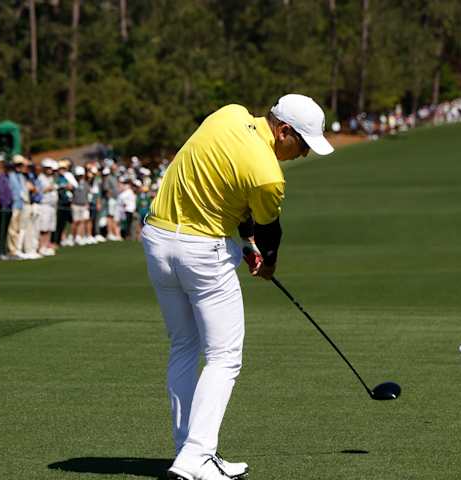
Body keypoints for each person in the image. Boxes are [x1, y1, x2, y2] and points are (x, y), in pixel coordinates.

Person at [142, 94, 333, 480]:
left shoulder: (228, 115)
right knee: (225, 357)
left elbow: (227, 189)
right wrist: (268, 261)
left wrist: (246, 244)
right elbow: (269, 228)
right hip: (202, 252)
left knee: (184, 345)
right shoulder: (269, 175)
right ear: (283, 132)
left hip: (157, 239)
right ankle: (198, 454)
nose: (304, 155)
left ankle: (190, 452)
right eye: (303, 144)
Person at [37, 159, 59, 256]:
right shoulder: (41, 178)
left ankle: (46, 246)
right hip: (44, 205)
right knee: (43, 228)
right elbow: (39, 191)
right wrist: (48, 189)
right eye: (48, 168)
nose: (50, 170)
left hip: (52, 206)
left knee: (50, 227)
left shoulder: (51, 178)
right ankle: (41, 246)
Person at [0, 157, 14, 260]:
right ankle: (0, 251)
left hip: (9, 208)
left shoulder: (7, 178)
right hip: (3, 208)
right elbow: (1, 195)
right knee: (1, 231)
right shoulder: (1, 179)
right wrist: (5, 205)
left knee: (5, 230)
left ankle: (3, 250)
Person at [70, 165, 91, 245]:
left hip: (83, 204)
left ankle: (79, 236)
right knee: (75, 221)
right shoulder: (73, 183)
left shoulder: (85, 183)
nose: (80, 177)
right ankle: (73, 236)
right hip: (75, 204)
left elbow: (87, 194)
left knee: (82, 221)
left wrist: (87, 203)